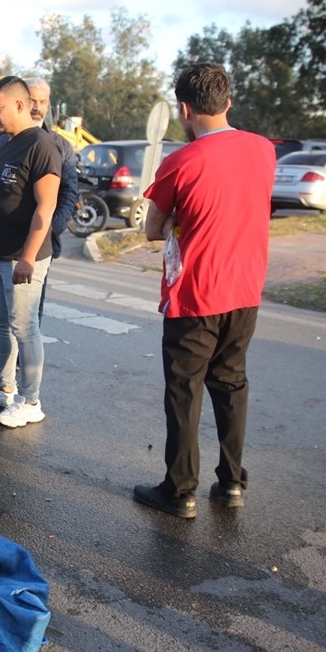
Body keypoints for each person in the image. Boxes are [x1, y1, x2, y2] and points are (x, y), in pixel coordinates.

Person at [132, 62, 276, 519]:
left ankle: (180, 490)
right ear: (228, 102)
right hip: (246, 289)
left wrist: (177, 218)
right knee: (232, 384)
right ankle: (231, 483)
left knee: (185, 391)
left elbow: (154, 229)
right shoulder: (263, 150)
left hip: (196, 295)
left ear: (184, 108)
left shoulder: (181, 161)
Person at [0, 77, 79, 382]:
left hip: (26, 250)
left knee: (25, 326)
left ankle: (30, 399)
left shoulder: (48, 145)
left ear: (19, 105)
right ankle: (4, 386)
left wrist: (35, 247)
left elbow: (53, 201)